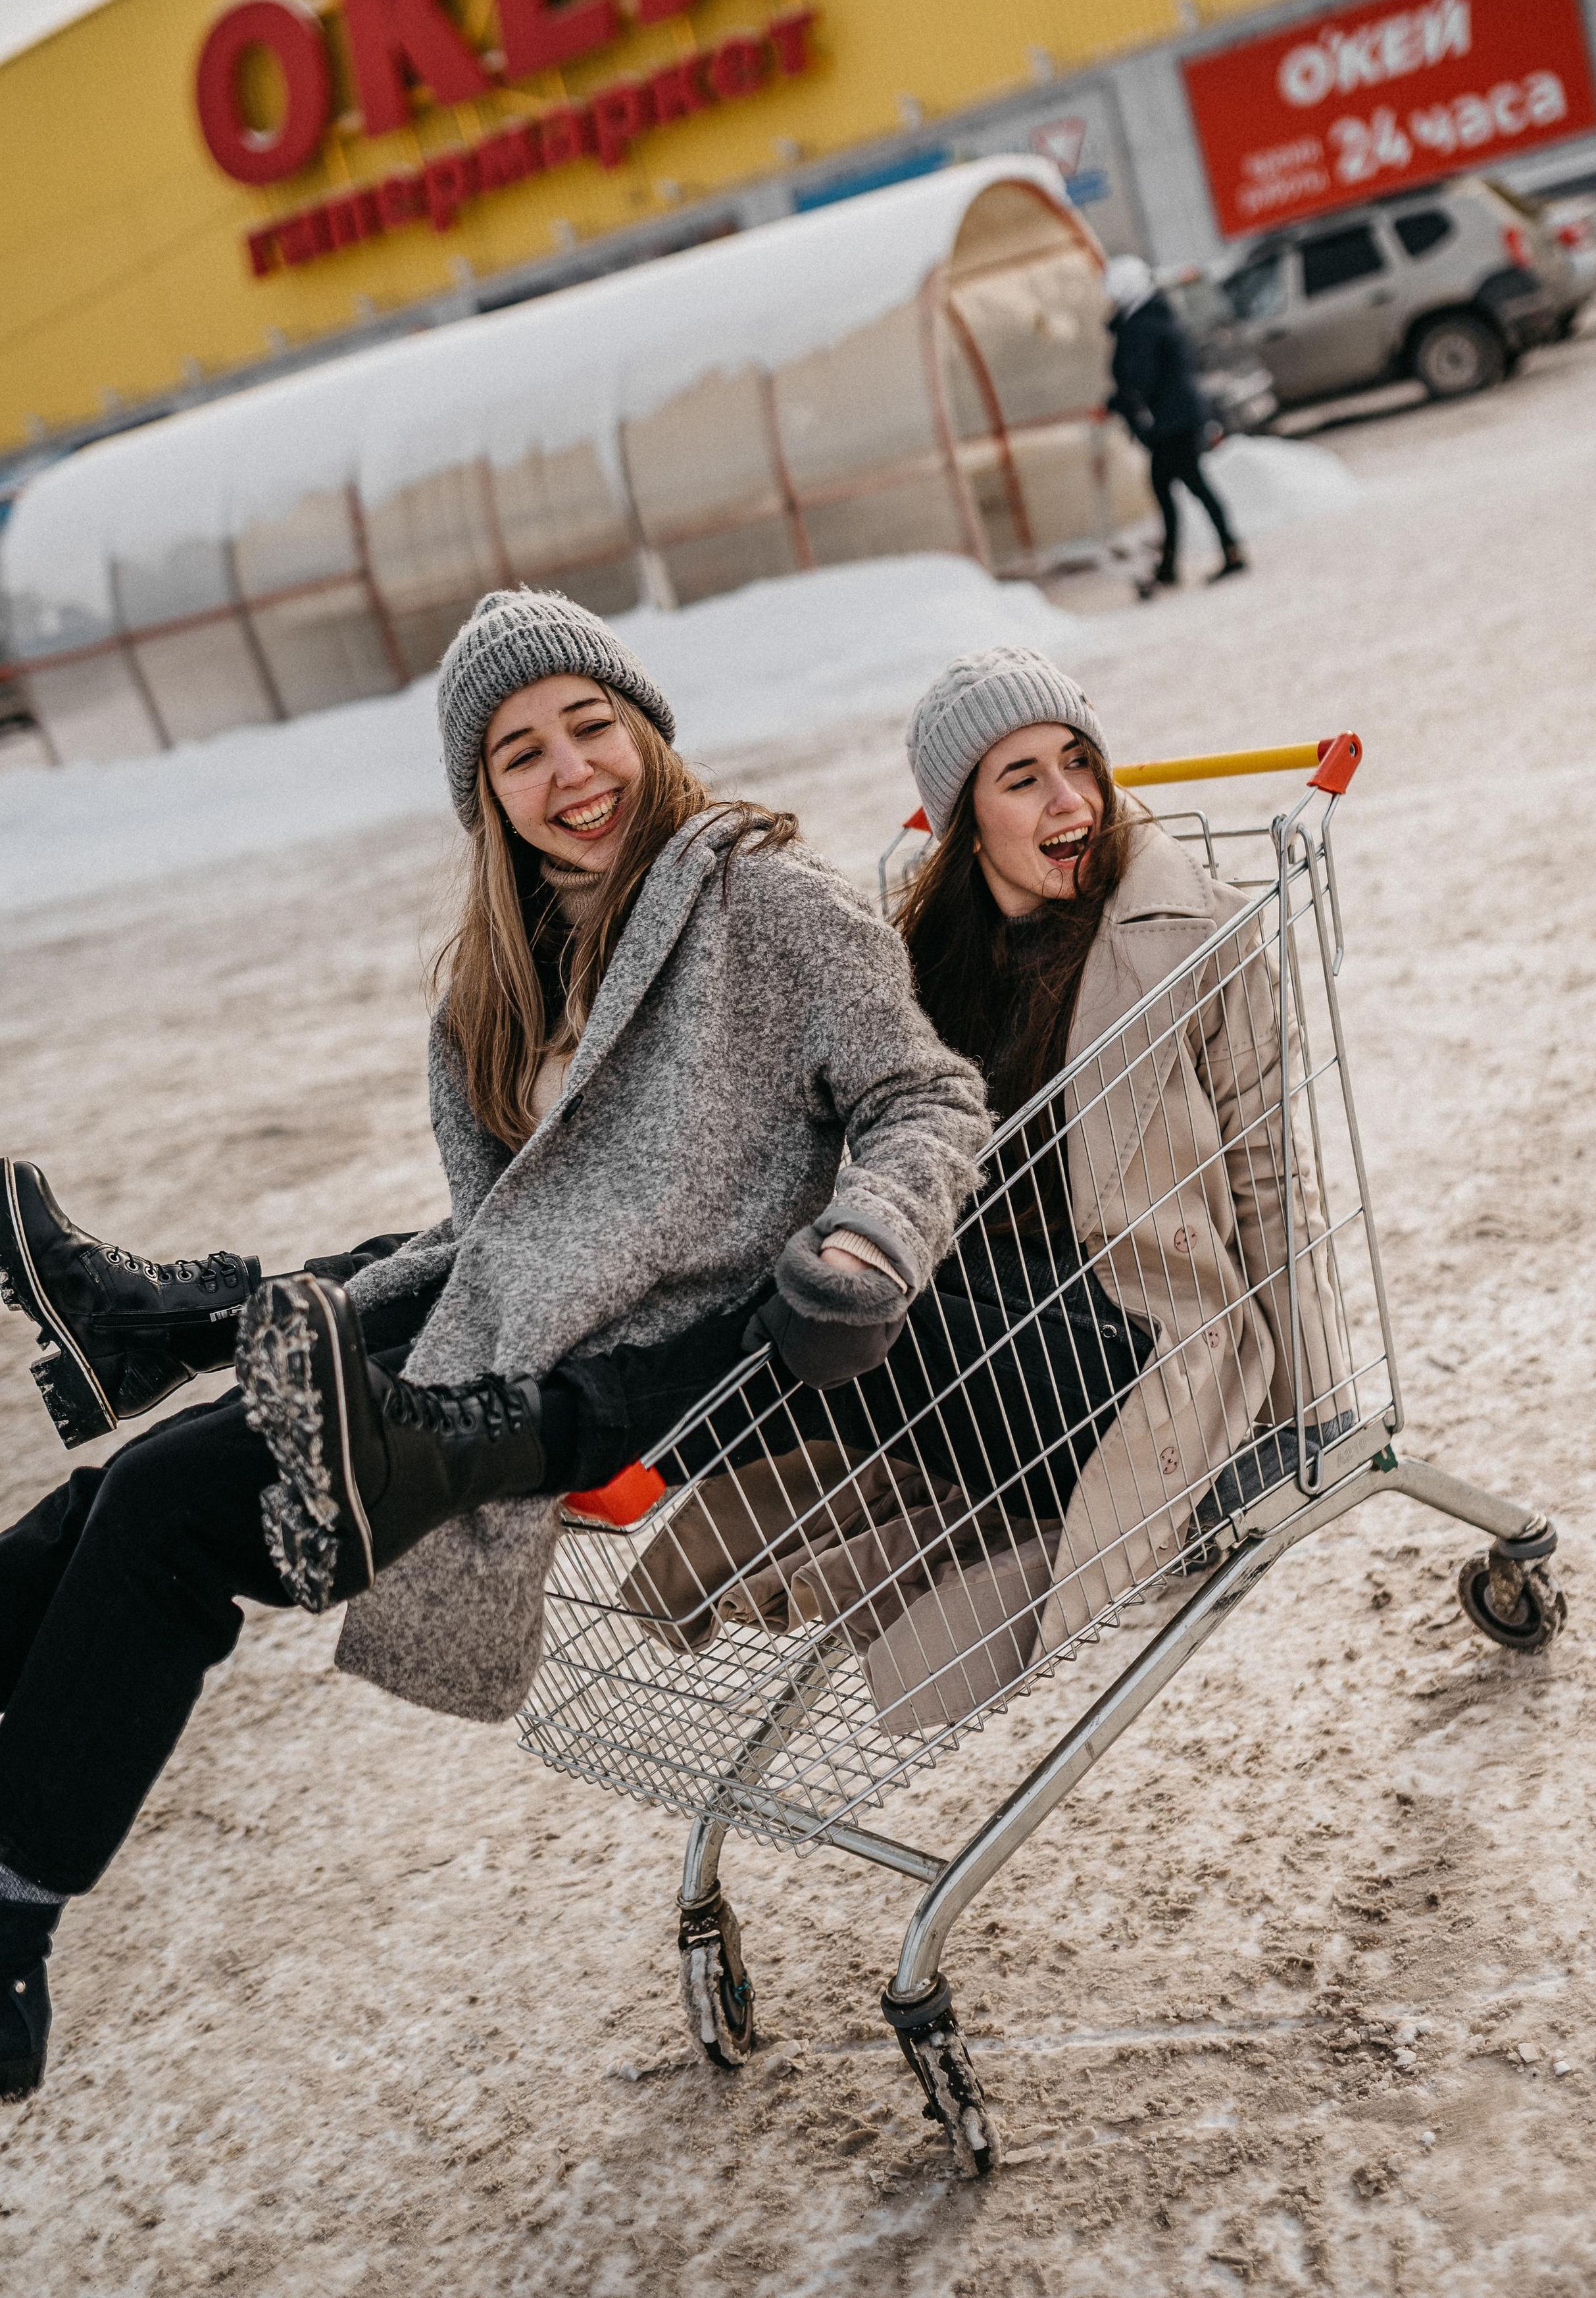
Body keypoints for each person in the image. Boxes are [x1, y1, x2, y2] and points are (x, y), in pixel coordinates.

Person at [0, 590, 991, 2103]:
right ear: (487, 799)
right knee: (129, 1497)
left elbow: (923, 1096)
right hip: (523, 1350)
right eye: (518, 752)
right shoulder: (515, 968)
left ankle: (8, 1930)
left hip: (698, 1371)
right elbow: (497, 1243)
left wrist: (864, 1238)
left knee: (160, 1514)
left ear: (643, 726)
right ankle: (167, 1324)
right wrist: (287, 1307)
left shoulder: (769, 903)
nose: (567, 768)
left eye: (588, 722)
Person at [627, 646, 1346, 1716]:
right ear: (968, 825)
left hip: (1130, 1354)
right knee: (785, 1267)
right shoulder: (921, 972)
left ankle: (609, 1433)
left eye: (1079, 764)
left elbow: (1268, 1177)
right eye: (1023, 779)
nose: (1073, 801)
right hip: (992, 1342)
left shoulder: (1198, 942)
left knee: (855, 1311)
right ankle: (592, 1414)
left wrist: (1312, 1414)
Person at [1106, 253, 1247, 589]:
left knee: (1185, 485)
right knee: (1175, 486)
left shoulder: (1141, 325)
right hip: (1179, 417)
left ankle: (1212, 556)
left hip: (1172, 422)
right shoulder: (1155, 316)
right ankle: (1196, 558)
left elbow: (1140, 376)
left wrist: (1119, 402)